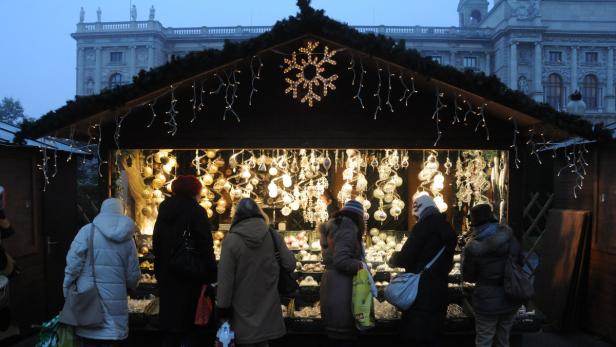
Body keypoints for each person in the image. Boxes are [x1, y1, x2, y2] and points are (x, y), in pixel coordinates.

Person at [216, 198, 295, 347]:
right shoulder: (272, 235)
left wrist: (222, 310)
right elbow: (290, 265)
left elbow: (225, 282)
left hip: (241, 315)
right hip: (268, 312)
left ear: (237, 216)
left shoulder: (231, 241)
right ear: (260, 213)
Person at [63, 198, 140, 346]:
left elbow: (73, 265)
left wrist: (67, 287)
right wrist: (133, 285)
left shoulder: (86, 232)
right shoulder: (128, 238)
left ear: (102, 211)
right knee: (112, 336)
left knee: (90, 340)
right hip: (116, 302)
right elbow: (133, 275)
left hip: (89, 301)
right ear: (121, 211)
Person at [153, 175, 218, 347]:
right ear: (195, 191)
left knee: (171, 329)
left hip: (168, 276)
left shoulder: (164, 211)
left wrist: (160, 274)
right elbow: (205, 246)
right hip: (191, 276)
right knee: (190, 327)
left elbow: (157, 244)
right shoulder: (197, 211)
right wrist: (212, 275)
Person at [387, 194, 457, 347]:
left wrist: (393, 258)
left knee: (416, 334)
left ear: (420, 211)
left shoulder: (423, 227)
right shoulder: (447, 228)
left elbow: (406, 257)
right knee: (434, 333)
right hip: (439, 290)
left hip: (420, 291)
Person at [462, 203, 521, 347]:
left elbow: (468, 277)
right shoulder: (510, 237)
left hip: (486, 300)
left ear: (475, 224)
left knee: (484, 340)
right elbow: (520, 261)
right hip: (510, 294)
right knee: (503, 339)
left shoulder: (473, 247)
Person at [319, 200, 366, 347]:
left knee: (336, 335)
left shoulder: (337, 226)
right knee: (343, 335)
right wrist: (361, 265)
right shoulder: (347, 226)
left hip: (333, 285)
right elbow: (341, 260)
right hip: (342, 287)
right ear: (358, 216)